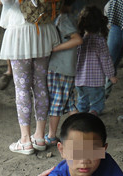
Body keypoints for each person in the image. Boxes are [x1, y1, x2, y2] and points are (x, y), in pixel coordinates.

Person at [0, 0, 59, 154]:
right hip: (42, 30)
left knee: (22, 88)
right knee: (40, 84)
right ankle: (39, 136)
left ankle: (25, 140)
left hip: (19, 32)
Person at [46, 0, 81, 145]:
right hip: (67, 68)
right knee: (70, 104)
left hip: (60, 68)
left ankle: (52, 136)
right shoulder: (64, 18)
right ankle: (82, 130)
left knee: (56, 103)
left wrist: (54, 49)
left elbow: (77, 40)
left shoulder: (62, 19)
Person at [74, 6, 117, 115]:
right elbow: (106, 60)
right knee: (96, 104)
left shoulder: (79, 41)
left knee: (82, 102)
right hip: (95, 81)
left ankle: (80, 118)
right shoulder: (100, 41)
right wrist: (111, 76)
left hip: (79, 81)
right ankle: (92, 117)